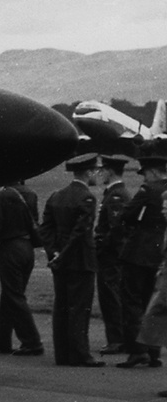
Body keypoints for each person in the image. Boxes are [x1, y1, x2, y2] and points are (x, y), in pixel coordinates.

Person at [38, 154, 104, 367]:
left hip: (60, 261)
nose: (97, 174)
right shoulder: (87, 198)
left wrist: (54, 253)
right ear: (88, 172)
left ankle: (63, 354)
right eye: (95, 170)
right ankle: (80, 354)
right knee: (79, 308)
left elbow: (46, 228)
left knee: (62, 306)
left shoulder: (57, 196)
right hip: (80, 260)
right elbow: (80, 233)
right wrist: (63, 254)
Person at [0, 179, 45, 355]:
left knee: (14, 296)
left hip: (10, 247)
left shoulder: (0, 196)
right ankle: (3, 339)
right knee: (11, 294)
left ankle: (32, 342)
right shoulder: (30, 194)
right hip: (27, 247)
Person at [115, 150, 167, 368]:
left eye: (145, 173)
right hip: (160, 250)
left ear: (153, 171)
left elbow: (127, 214)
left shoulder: (148, 189)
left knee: (132, 300)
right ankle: (154, 350)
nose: (144, 178)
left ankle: (138, 350)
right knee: (153, 302)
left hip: (140, 251)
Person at [94, 155, 132, 354]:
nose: (100, 173)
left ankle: (116, 339)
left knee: (111, 297)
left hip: (111, 256)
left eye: (103, 169)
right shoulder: (116, 193)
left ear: (110, 171)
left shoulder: (116, 196)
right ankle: (119, 337)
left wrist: (100, 247)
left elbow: (116, 229)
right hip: (113, 254)